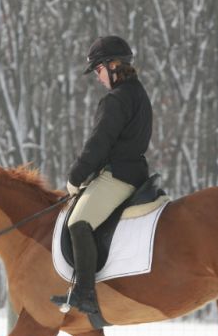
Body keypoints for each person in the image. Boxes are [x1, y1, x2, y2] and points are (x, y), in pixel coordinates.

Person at [51, 36, 153, 315]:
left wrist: (75, 176)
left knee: (78, 222)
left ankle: (85, 294)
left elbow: (98, 143)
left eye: (98, 70)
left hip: (119, 176)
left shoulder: (116, 100)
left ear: (114, 65)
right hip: (135, 172)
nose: (98, 77)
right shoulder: (139, 93)